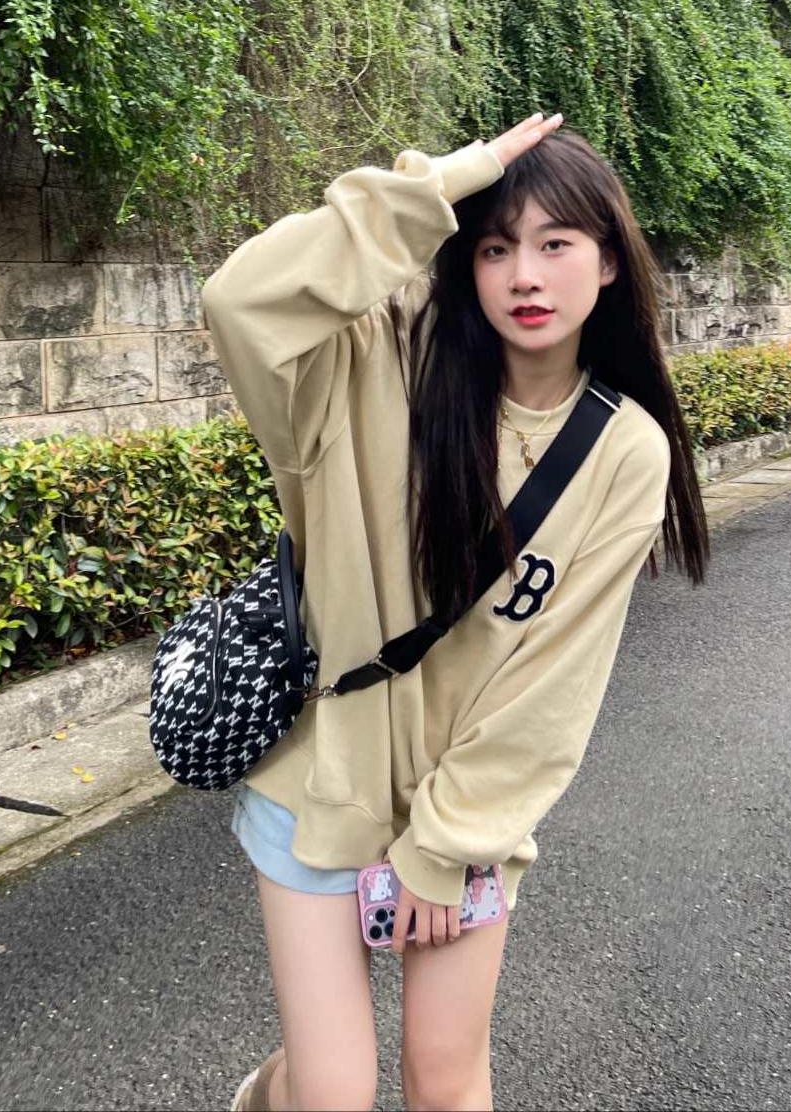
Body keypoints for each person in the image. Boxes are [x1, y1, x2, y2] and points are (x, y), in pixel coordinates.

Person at [201, 111, 709, 1112]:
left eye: (556, 245)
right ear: (464, 261)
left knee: (444, 1080)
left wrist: (441, 848)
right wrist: (436, 184)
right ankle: (270, 1091)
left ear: (608, 262)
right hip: (321, 780)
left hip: (468, 810)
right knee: (331, 1091)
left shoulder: (625, 451)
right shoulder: (380, 362)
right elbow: (242, 299)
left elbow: (552, 688)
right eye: (495, 247)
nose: (525, 276)